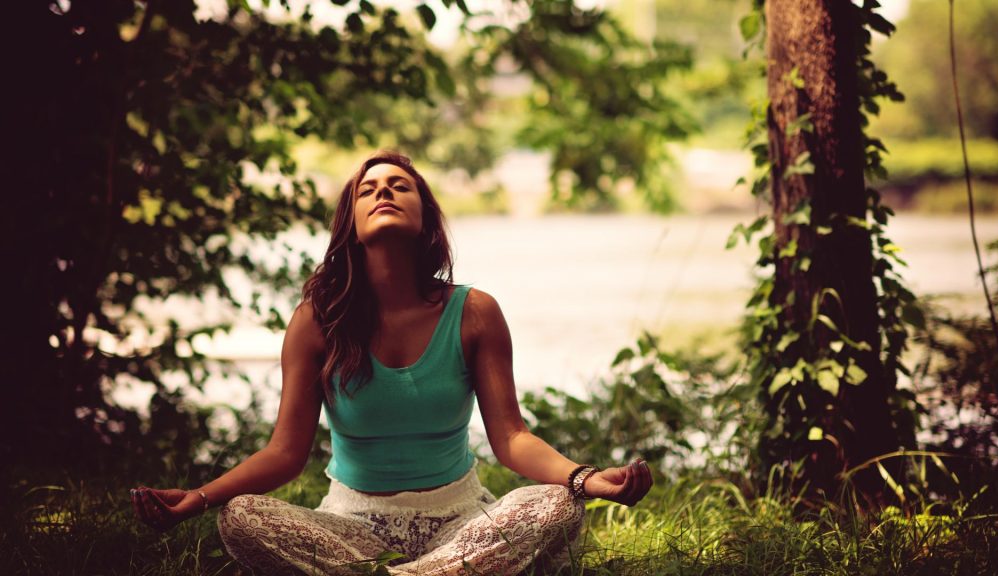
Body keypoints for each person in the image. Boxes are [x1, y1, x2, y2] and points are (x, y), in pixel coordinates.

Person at [130, 151, 653, 575]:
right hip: (351, 530)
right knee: (242, 517)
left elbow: (512, 437)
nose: (383, 192)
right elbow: (285, 453)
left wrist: (583, 477)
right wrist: (199, 498)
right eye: (369, 189)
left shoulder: (475, 313)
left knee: (557, 505)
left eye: (399, 186)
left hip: (462, 523)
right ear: (352, 224)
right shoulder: (317, 321)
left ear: (425, 220)